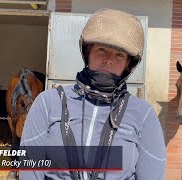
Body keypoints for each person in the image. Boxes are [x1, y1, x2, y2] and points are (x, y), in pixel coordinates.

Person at [19, 8, 166, 180]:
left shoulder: (143, 114)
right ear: (88, 52)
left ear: (128, 64)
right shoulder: (48, 102)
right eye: (101, 49)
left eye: (119, 54)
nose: (109, 59)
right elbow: (30, 170)